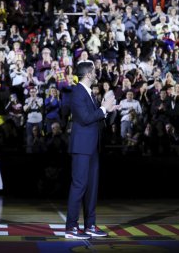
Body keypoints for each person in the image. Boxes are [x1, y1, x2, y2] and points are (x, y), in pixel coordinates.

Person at [65, 61, 118, 239]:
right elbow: (86, 118)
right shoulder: (77, 92)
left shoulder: (88, 93)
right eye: (95, 71)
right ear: (88, 74)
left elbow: (96, 119)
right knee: (79, 186)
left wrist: (108, 110)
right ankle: (71, 227)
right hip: (82, 148)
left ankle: (90, 225)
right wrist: (103, 108)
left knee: (92, 188)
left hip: (92, 147)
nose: (97, 73)